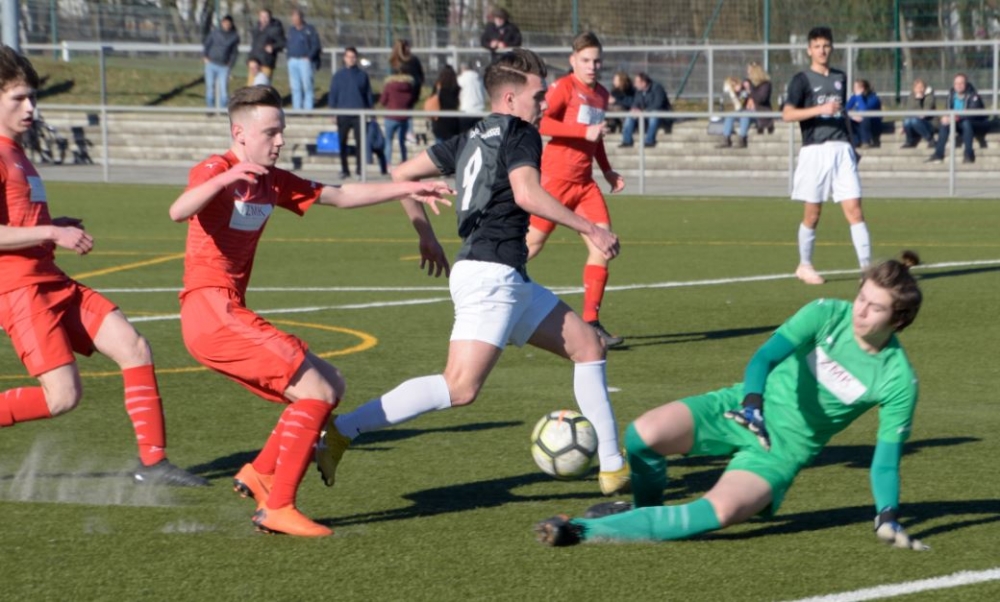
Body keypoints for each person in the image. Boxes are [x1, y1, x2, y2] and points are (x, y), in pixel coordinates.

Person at [314, 48, 632, 498]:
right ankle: (341, 431)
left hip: (505, 276)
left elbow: (401, 173)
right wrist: (590, 228)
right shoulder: (520, 132)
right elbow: (526, 194)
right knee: (460, 387)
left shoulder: (470, 137)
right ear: (510, 99)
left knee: (588, 346)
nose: (544, 104)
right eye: (538, 96)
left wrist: (425, 234)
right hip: (491, 277)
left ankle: (614, 467)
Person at [168, 85, 451, 537]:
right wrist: (223, 180)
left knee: (331, 384)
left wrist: (410, 187)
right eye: (271, 132)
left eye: (282, 131)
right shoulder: (214, 168)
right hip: (209, 311)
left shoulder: (273, 180)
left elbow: (341, 195)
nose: (280, 141)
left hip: (228, 312)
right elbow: (178, 210)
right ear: (240, 134)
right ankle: (278, 506)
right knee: (314, 390)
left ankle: (260, 473)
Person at [536, 252, 928, 549]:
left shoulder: (897, 378)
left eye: (875, 307)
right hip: (740, 408)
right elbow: (765, 357)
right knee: (643, 435)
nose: (861, 311)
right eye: (861, 297)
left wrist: (887, 516)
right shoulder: (827, 313)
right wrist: (752, 404)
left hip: (779, 453)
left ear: (898, 320)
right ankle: (644, 511)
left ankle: (580, 530)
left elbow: (885, 461)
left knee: (718, 512)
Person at [0, 46, 207, 488]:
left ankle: (153, 464)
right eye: (19, 98)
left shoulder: (18, 152)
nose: (31, 107)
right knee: (62, 397)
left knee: (133, 346)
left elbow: (16, 220)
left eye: (33, 97)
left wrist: (53, 225)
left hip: (52, 281)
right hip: (21, 292)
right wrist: (51, 232)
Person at [526, 32, 626, 347]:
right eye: (586, 60)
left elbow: (596, 138)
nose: (592, 66)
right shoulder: (564, 88)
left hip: (584, 184)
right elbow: (542, 123)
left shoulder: (602, 94)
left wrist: (607, 170)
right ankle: (492, 291)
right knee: (531, 245)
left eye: (597, 60)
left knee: (603, 246)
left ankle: (591, 323)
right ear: (573, 61)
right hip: (556, 181)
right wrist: (584, 131)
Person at [781, 26, 870, 286]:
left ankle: (867, 270)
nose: (822, 51)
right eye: (817, 46)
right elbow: (787, 114)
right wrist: (819, 109)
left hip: (842, 150)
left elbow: (842, 115)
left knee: (855, 210)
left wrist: (852, 145)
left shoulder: (840, 77)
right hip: (815, 151)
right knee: (813, 214)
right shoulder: (801, 80)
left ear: (832, 48)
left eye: (826, 46)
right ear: (809, 50)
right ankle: (805, 265)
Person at [328, 47, 373, 178]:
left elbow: (368, 95)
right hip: (343, 114)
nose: (351, 59)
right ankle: (345, 169)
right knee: (342, 143)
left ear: (356, 58)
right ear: (344, 58)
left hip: (359, 115)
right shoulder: (338, 75)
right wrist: (332, 112)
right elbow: (333, 94)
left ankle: (359, 170)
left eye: (353, 57)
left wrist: (371, 113)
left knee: (360, 144)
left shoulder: (362, 75)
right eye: (348, 57)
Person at [926, 73, 988, 164]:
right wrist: (946, 117)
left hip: (976, 123)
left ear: (966, 84)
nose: (958, 85)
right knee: (944, 124)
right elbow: (948, 109)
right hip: (958, 121)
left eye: (961, 83)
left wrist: (956, 117)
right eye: (956, 83)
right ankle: (938, 154)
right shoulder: (951, 95)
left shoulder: (973, 96)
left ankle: (968, 154)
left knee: (966, 123)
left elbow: (973, 114)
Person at [620, 72, 672, 148]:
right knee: (630, 115)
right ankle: (627, 141)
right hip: (644, 115)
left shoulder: (657, 88)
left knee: (654, 115)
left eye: (636, 82)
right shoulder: (639, 91)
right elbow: (635, 102)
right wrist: (634, 109)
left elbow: (658, 104)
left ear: (643, 83)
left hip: (661, 115)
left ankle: (649, 141)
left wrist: (644, 111)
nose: (634, 85)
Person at [379, 66, 417, 165]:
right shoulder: (409, 86)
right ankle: (404, 162)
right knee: (402, 142)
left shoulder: (389, 85)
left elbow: (383, 101)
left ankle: (387, 164)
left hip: (390, 116)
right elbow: (412, 101)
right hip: (403, 117)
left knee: (388, 141)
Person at [285, 8, 321, 110]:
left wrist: (309, 57)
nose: (294, 20)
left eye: (296, 18)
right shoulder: (291, 30)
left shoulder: (309, 29)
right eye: (293, 18)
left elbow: (316, 45)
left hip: (304, 61)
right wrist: (289, 57)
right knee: (295, 86)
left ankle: (308, 108)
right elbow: (288, 44)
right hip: (292, 61)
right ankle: (297, 108)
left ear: (301, 18)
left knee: (307, 86)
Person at [203, 15, 239, 111]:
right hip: (211, 64)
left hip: (223, 66)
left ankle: (223, 109)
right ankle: (210, 108)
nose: (226, 25)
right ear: (222, 23)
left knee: (224, 89)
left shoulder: (234, 36)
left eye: (228, 23)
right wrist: (205, 56)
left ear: (231, 24)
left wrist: (230, 64)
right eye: (225, 23)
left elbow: (234, 53)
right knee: (210, 87)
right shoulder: (215, 33)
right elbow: (207, 44)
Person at [246, 9, 285, 86]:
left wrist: (273, 47)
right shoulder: (256, 28)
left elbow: (283, 42)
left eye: (266, 17)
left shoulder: (275, 29)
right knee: (250, 88)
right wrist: (250, 60)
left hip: (266, 62)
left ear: (270, 17)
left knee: (262, 88)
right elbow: (254, 46)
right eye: (262, 16)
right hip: (254, 63)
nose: (264, 19)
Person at [428, 65, 462, 143]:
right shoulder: (456, 88)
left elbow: (432, 99)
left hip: (439, 121)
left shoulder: (438, 87)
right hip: (452, 121)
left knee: (439, 146)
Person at [846, 79, 883, 148]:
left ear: (862, 89)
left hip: (872, 124)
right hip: (858, 120)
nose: (854, 90)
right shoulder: (854, 97)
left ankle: (865, 141)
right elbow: (846, 109)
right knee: (848, 120)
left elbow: (864, 111)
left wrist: (859, 97)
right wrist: (852, 117)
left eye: (856, 88)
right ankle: (855, 142)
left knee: (864, 118)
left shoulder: (873, 98)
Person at [900, 78, 937, 149]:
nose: (919, 90)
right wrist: (903, 125)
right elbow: (909, 110)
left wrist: (919, 99)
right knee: (907, 121)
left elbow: (925, 112)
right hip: (915, 121)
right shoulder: (911, 96)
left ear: (925, 88)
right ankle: (909, 141)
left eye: (921, 87)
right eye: (917, 88)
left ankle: (931, 140)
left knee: (915, 120)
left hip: (929, 122)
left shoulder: (929, 96)